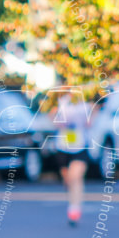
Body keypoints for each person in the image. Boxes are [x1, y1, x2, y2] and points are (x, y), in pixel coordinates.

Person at [50, 87, 91, 226]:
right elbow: (53, 119)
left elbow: (90, 122)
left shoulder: (84, 104)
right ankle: (72, 201)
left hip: (80, 146)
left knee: (76, 177)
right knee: (68, 180)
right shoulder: (60, 103)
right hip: (63, 146)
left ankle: (75, 209)